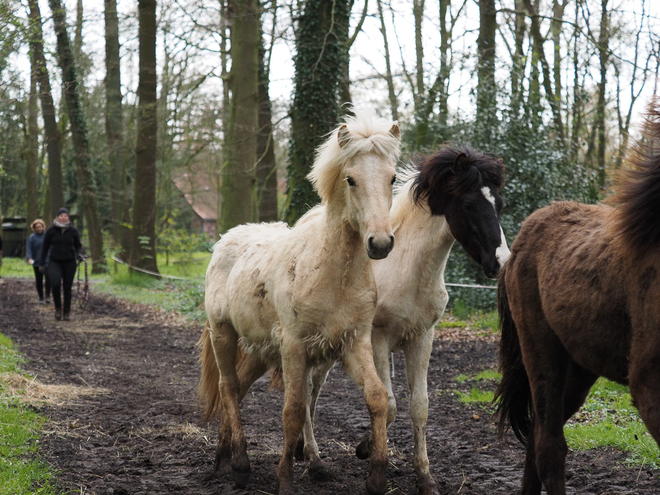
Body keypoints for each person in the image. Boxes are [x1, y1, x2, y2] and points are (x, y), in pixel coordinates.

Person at [40, 208, 82, 321]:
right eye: (61, 215)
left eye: (65, 216)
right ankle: (58, 308)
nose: (63, 217)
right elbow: (45, 247)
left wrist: (78, 254)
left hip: (69, 261)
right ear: (57, 217)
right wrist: (42, 263)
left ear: (68, 217)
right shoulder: (51, 231)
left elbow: (78, 245)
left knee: (67, 287)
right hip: (55, 261)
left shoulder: (73, 231)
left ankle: (66, 312)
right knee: (55, 283)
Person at [27, 219, 51, 304]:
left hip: (47, 261)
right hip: (37, 261)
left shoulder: (47, 236)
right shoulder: (32, 238)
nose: (39, 228)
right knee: (39, 280)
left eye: (40, 227)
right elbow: (29, 249)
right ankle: (41, 297)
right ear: (34, 228)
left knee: (48, 279)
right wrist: (29, 258)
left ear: (43, 227)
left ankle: (47, 296)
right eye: (37, 227)